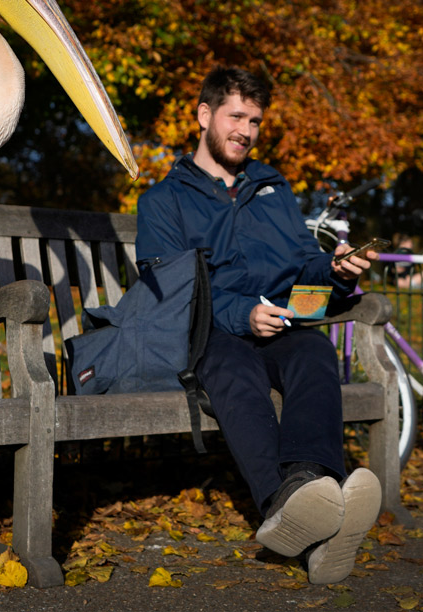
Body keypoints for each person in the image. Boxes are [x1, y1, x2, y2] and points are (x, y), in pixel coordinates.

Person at [136, 66, 383, 584]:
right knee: (235, 374)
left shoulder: (273, 186)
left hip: (283, 326)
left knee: (316, 354)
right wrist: (241, 314)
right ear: (204, 115)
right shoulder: (163, 201)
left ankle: (305, 488)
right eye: (235, 116)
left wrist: (335, 274)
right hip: (211, 334)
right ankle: (292, 507)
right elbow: (173, 293)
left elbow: (302, 274)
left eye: (255, 120)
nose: (246, 130)